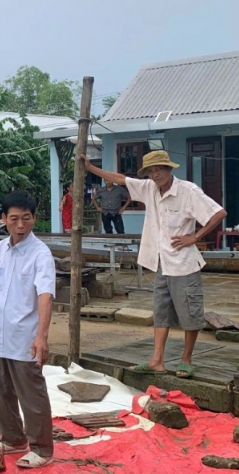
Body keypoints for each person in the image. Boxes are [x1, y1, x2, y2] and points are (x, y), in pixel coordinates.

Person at [81, 151, 227, 379]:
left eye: (159, 169)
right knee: (161, 313)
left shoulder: (188, 191)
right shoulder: (149, 188)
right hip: (161, 262)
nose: (155, 174)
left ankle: (186, 359)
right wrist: (91, 168)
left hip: (184, 263)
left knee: (190, 313)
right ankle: (157, 360)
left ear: (169, 169)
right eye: (150, 171)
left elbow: (218, 213)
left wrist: (195, 237)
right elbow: (120, 179)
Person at [0, 190, 56, 468]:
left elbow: (45, 294)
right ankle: (13, 439)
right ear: (4, 219)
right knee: (1, 391)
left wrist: (42, 336)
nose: (21, 225)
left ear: (34, 218)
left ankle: (42, 449)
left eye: (26, 218)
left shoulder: (41, 254)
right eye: (14, 218)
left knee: (32, 393)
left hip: (25, 336)